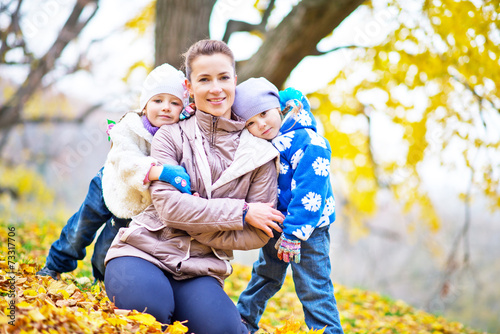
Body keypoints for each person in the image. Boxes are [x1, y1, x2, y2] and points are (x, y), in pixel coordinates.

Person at [104, 40, 284, 334]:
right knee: (150, 314)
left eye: (223, 78)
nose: (216, 89)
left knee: (224, 330)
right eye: (204, 79)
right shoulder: (170, 136)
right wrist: (241, 212)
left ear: (234, 81)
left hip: (202, 266)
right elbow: (171, 210)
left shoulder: (261, 154)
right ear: (189, 86)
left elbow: (257, 233)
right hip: (143, 250)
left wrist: (197, 213)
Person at [37, 63, 193, 281]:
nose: (166, 107)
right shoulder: (130, 126)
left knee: (111, 245)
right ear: (145, 105)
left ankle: (101, 281)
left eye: (174, 102)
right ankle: (54, 266)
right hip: (108, 184)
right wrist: (161, 172)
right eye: (158, 100)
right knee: (80, 229)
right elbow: (126, 160)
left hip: (135, 201)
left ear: (183, 108)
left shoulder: (181, 134)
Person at [233, 78, 344, 334]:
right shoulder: (268, 141)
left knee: (313, 287)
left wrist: (294, 234)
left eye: (263, 113)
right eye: (250, 122)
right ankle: (242, 323)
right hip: (276, 224)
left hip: (307, 232)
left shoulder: (309, 142)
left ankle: (328, 331)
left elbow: (310, 194)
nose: (260, 124)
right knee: (264, 276)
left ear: (278, 108)